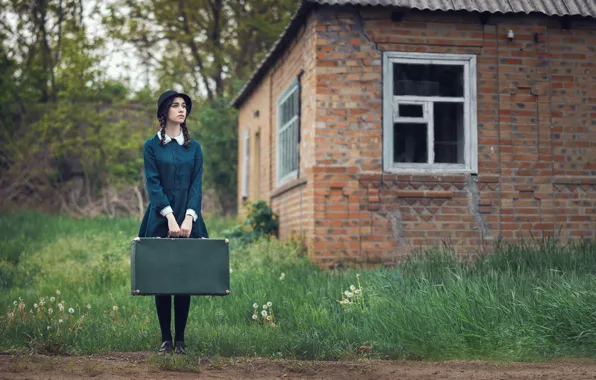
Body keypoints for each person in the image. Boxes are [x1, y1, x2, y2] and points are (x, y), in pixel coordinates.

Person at [138, 89, 209, 355]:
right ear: (164, 111)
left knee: (184, 277)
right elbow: (153, 184)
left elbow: (196, 185)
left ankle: (180, 340)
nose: (182, 110)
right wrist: (168, 216)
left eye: (184, 106)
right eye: (176, 105)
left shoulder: (195, 148)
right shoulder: (151, 146)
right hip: (160, 217)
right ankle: (165, 339)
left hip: (189, 216)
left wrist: (190, 217)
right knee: (162, 278)